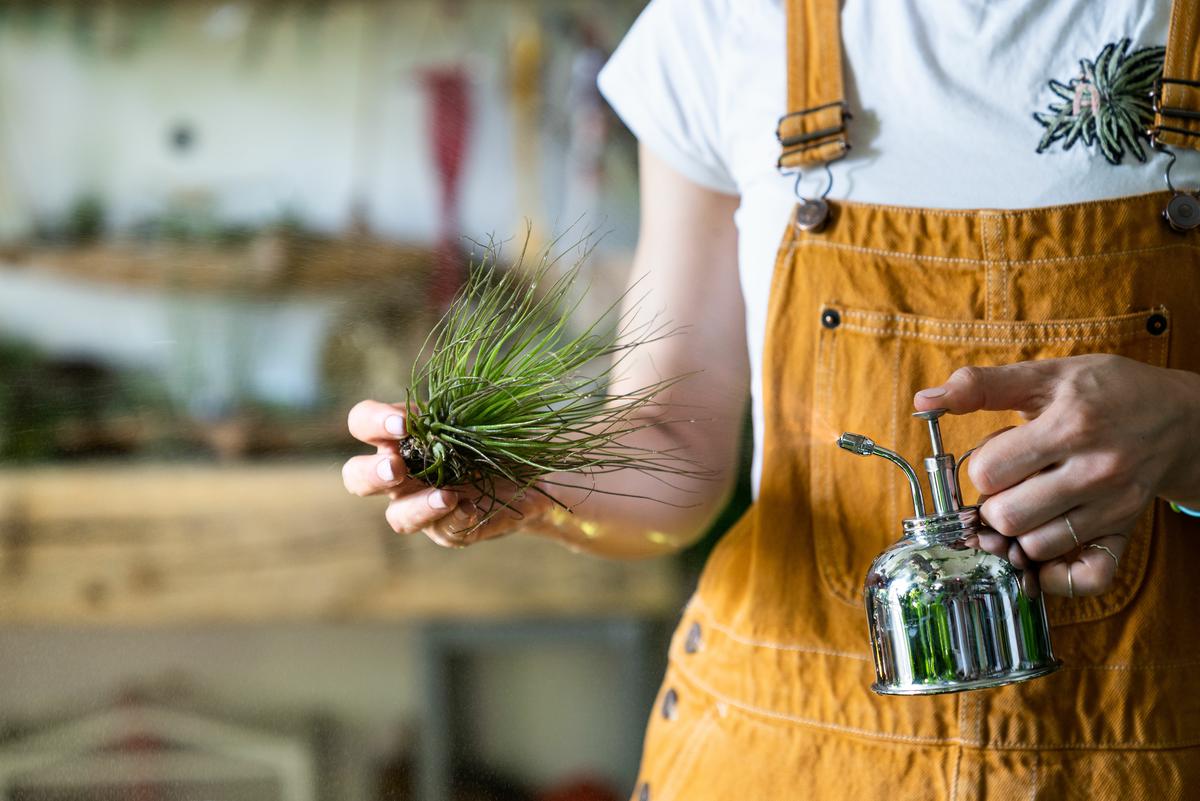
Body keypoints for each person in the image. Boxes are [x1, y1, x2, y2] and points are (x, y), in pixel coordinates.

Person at [343, 0, 1200, 796]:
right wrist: (539, 487)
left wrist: (1188, 431)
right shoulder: (722, 22)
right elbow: (671, 439)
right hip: (789, 752)